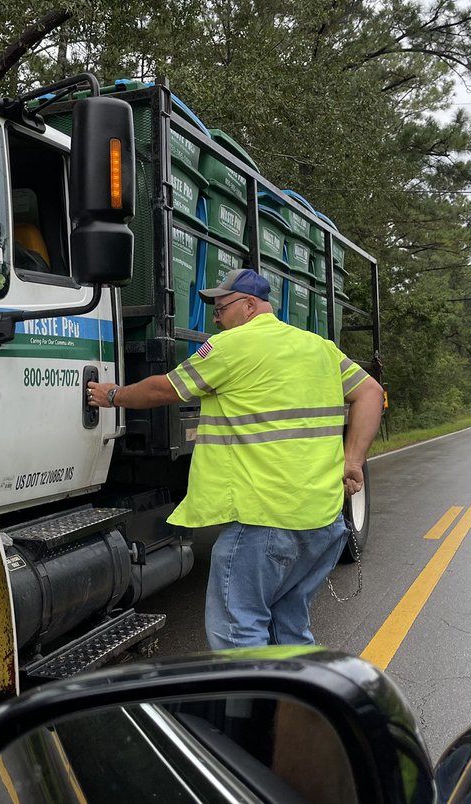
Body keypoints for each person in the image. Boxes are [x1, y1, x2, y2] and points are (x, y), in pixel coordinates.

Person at [87, 268, 383, 649]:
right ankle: (294, 705)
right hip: (321, 521)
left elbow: (166, 389)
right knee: (289, 628)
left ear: (248, 306)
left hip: (264, 520)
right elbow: (371, 393)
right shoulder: (319, 347)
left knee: (238, 634)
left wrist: (112, 396)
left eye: (220, 308)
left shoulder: (231, 345)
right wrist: (353, 460)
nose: (215, 318)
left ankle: (251, 707)